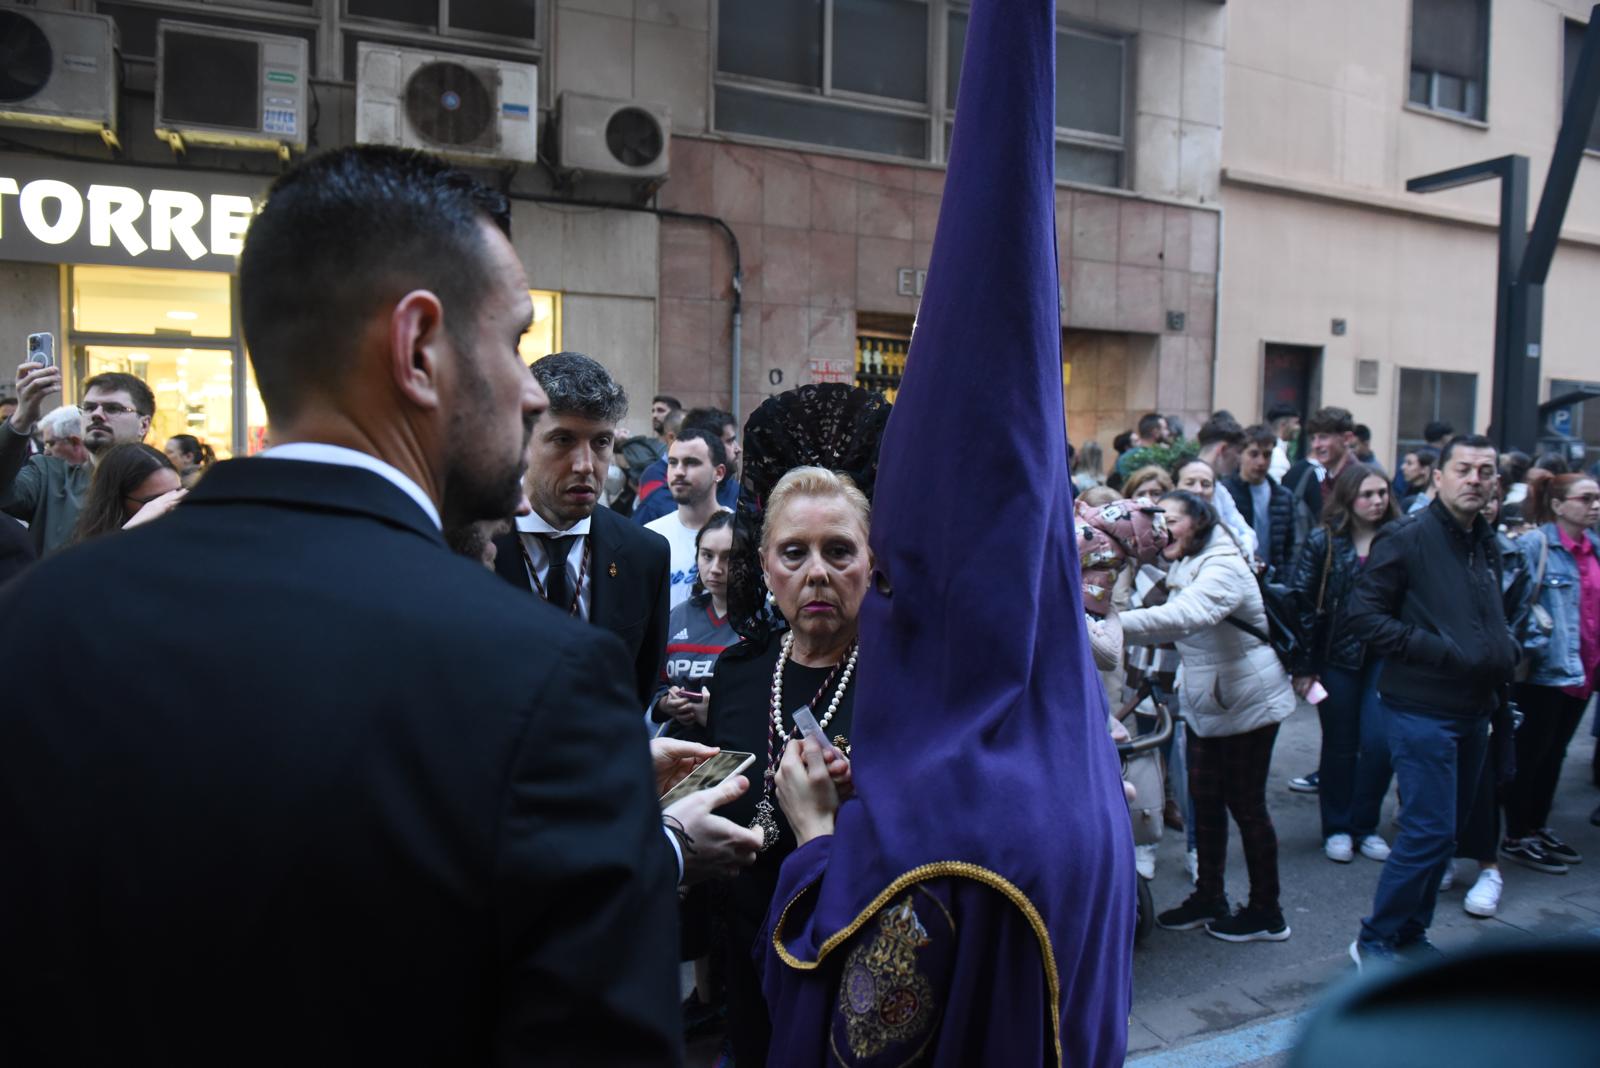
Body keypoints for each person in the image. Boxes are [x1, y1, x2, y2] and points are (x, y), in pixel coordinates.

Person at [0, 145, 691, 1063]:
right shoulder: (539, 681)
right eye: (515, 340)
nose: (529, 392)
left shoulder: (36, 621)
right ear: (416, 349)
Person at [757, 6, 1133, 1052]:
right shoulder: (1070, 758)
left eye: (889, 573)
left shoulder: (940, 823)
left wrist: (818, 841)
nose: (871, 595)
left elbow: (849, 1037)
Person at [707, 465, 871, 1067]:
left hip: (854, 939)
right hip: (748, 937)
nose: (818, 573)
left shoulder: (902, 680)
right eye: (794, 552)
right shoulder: (739, 671)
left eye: (839, 550)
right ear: (768, 566)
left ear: (870, 562)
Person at [1347, 434, 1520, 967]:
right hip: (1421, 708)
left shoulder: (1484, 539)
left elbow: (1483, 613)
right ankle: (1375, 939)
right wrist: (1440, 652)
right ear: (1438, 477)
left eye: (1485, 471)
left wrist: (1502, 646)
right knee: (1428, 832)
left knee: (1445, 836)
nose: (1475, 479)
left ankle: (1410, 934)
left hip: (1475, 708)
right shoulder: (1408, 535)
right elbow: (1363, 616)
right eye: (1464, 469)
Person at [1122, 490, 1297, 942]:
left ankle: (1266, 912)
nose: (1162, 529)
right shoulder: (1183, 559)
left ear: (1200, 522)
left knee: (1247, 805)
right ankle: (1209, 897)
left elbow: (1185, 616)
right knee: (1205, 802)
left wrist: (1111, 627)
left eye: (1171, 520)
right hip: (1210, 703)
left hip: (1248, 703)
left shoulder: (1222, 563)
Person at [491, 351, 672, 709]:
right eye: (563, 440)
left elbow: (638, 689)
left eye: (601, 442)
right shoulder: (470, 542)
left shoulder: (644, 554)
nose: (585, 465)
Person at [1288, 463, 1399, 865]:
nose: (1376, 501)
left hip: (1386, 656)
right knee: (1340, 745)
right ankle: (1336, 826)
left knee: (1380, 744)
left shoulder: (1399, 539)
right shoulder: (1325, 541)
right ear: (1350, 497)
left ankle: (1365, 825)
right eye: (1367, 494)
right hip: (1337, 656)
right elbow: (1304, 603)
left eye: (1382, 493)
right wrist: (1303, 665)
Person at [1501, 469, 1600, 874]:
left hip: (1583, 671)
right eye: (1586, 499)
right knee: (1531, 754)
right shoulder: (1534, 545)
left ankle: (1537, 826)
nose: (1595, 507)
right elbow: (1511, 605)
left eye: (1597, 499)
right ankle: (1516, 833)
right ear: (1558, 505)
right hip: (1544, 670)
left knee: (1556, 752)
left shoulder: (1594, 547)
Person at [0, 370, 155, 555]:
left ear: (143, 425)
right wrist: (21, 418)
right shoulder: (49, 476)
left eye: (113, 408)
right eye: (89, 408)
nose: (97, 414)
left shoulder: (162, 485)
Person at [653, 511, 737, 740]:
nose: (715, 568)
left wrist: (719, 715)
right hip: (677, 751)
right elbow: (654, 684)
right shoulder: (678, 616)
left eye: (728, 557)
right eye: (707, 555)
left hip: (738, 751)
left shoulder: (766, 622)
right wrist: (666, 703)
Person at [646, 427, 729, 611]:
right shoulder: (649, 536)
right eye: (673, 462)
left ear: (719, 472)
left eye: (691, 463)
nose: (679, 472)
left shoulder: (741, 530)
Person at [634, 407, 742, 523]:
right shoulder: (655, 508)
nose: (738, 449)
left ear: (720, 472)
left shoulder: (741, 497)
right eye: (729, 441)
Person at [71, 443, 185, 542]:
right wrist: (128, 533)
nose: (171, 506)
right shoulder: (89, 549)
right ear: (118, 501)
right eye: (155, 500)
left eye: (177, 494)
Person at [1224, 423, 1296, 576]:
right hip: (1236, 574)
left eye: (1267, 455)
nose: (1261, 462)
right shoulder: (1226, 492)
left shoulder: (1283, 496)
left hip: (1273, 579)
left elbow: (1290, 546)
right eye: (1254, 454)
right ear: (1241, 454)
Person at [1285, 406, 1356, 548]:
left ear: (1346, 439)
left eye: (1323, 437)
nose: (1316, 445)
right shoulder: (1328, 477)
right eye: (1313, 438)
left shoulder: (1358, 480)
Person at [1396, 446, 1439, 513]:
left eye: (1409, 463)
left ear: (1424, 469)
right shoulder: (1403, 490)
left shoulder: (1428, 497)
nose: (1403, 467)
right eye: (1404, 462)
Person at [1267, 402, 1302, 481]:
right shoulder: (1277, 454)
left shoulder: (1280, 450)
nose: (1298, 427)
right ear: (1283, 425)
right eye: (1296, 423)